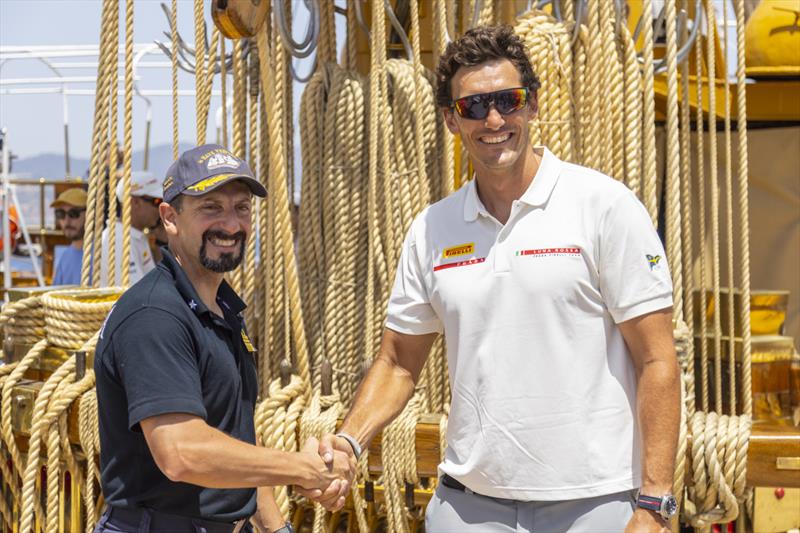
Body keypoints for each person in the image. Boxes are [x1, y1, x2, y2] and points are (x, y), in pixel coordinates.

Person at [320, 25, 681, 533]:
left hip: (594, 504)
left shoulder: (605, 207)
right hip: (469, 508)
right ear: (450, 119)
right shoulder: (432, 229)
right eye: (472, 107)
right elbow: (399, 361)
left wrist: (655, 503)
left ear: (532, 105)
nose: (493, 119)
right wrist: (349, 440)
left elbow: (657, 358)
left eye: (507, 101)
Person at [93, 144, 355, 533]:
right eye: (210, 208)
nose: (231, 225)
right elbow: (182, 453)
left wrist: (274, 528)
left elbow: (235, 438)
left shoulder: (221, 310)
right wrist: (301, 468)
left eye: (241, 208)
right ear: (169, 217)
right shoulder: (155, 316)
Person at [99, 171, 163, 286]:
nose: (160, 208)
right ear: (134, 202)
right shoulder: (118, 241)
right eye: (157, 202)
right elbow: (137, 293)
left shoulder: (135, 236)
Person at [51, 187, 87, 285]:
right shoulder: (65, 257)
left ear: (89, 214)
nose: (67, 221)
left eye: (73, 213)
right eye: (61, 214)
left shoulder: (103, 253)